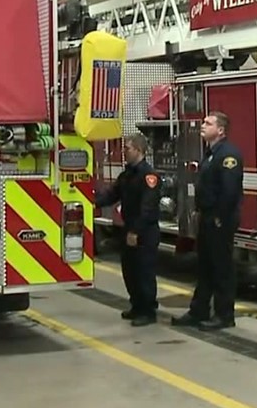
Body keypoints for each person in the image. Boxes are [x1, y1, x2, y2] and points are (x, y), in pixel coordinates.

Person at [172, 111, 244, 331]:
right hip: (207, 218)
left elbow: (229, 192)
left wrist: (220, 218)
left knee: (221, 268)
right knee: (204, 268)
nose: (202, 126)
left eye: (208, 123)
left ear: (220, 130)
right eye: (203, 122)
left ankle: (224, 316)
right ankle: (199, 311)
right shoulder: (211, 153)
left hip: (218, 220)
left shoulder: (228, 155)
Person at [96, 133, 161, 327]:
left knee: (144, 272)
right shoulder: (127, 174)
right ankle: (136, 306)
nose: (124, 151)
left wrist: (135, 231)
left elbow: (147, 207)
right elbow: (112, 195)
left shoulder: (148, 176)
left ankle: (148, 311)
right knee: (130, 271)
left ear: (139, 150)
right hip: (128, 228)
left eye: (128, 148)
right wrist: (91, 201)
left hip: (143, 231)